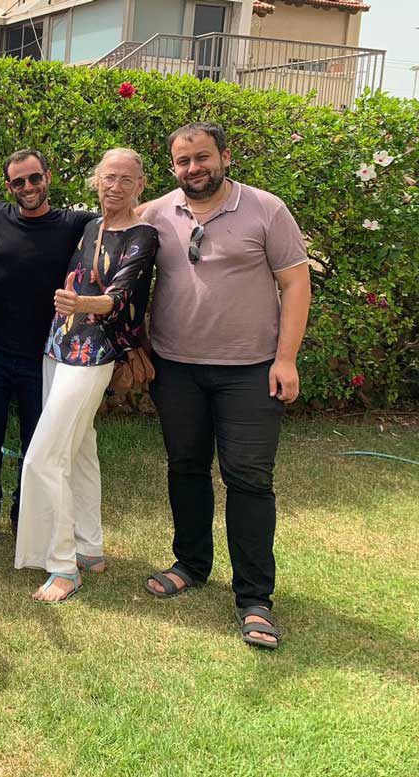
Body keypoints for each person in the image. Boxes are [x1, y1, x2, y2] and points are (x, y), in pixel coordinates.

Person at [140, 122, 310, 650]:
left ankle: (255, 597)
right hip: (176, 367)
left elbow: (295, 282)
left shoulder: (266, 209)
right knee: (185, 467)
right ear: (173, 167)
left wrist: (286, 359)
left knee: (249, 480)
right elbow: (111, 237)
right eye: (183, 161)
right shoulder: (157, 213)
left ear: (225, 157)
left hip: (250, 370)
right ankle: (191, 563)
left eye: (203, 158)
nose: (194, 168)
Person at [13, 149, 158, 602]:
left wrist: (82, 304)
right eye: (108, 177)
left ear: (140, 185)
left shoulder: (144, 234)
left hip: (93, 352)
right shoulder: (90, 224)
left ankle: (62, 566)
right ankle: (89, 547)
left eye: (126, 179)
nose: (115, 186)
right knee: (80, 451)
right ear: (97, 180)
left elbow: (123, 295)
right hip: (58, 345)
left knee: (43, 458)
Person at [0, 150, 97, 546]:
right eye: (18, 182)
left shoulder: (73, 223)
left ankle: (23, 512)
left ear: (48, 177)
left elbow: (123, 217)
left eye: (34, 178)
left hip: (43, 355)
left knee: (36, 443)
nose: (28, 187)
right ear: (9, 186)